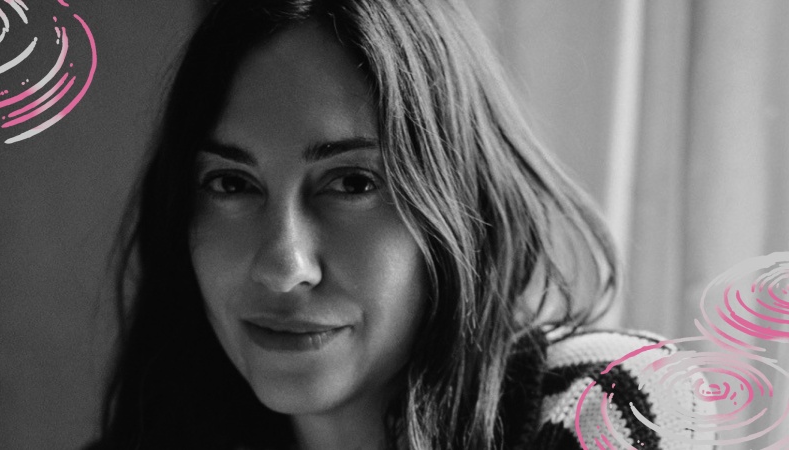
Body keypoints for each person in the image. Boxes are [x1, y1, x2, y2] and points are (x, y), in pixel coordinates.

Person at [85, 1, 700, 449]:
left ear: (456, 202)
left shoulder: (610, 400)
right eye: (231, 184)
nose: (283, 266)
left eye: (353, 183)